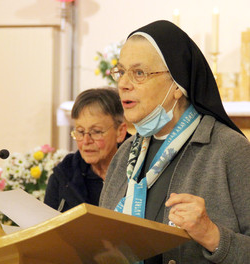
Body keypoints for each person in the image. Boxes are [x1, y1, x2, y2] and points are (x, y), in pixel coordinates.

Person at [99, 20, 250, 264]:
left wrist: (211, 235)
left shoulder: (229, 150)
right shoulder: (126, 152)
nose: (123, 84)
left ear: (177, 85)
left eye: (139, 73)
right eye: (121, 71)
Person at [44, 87, 128, 212]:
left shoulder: (139, 172)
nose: (86, 141)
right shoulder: (63, 176)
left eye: (96, 132)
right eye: (80, 131)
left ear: (120, 132)